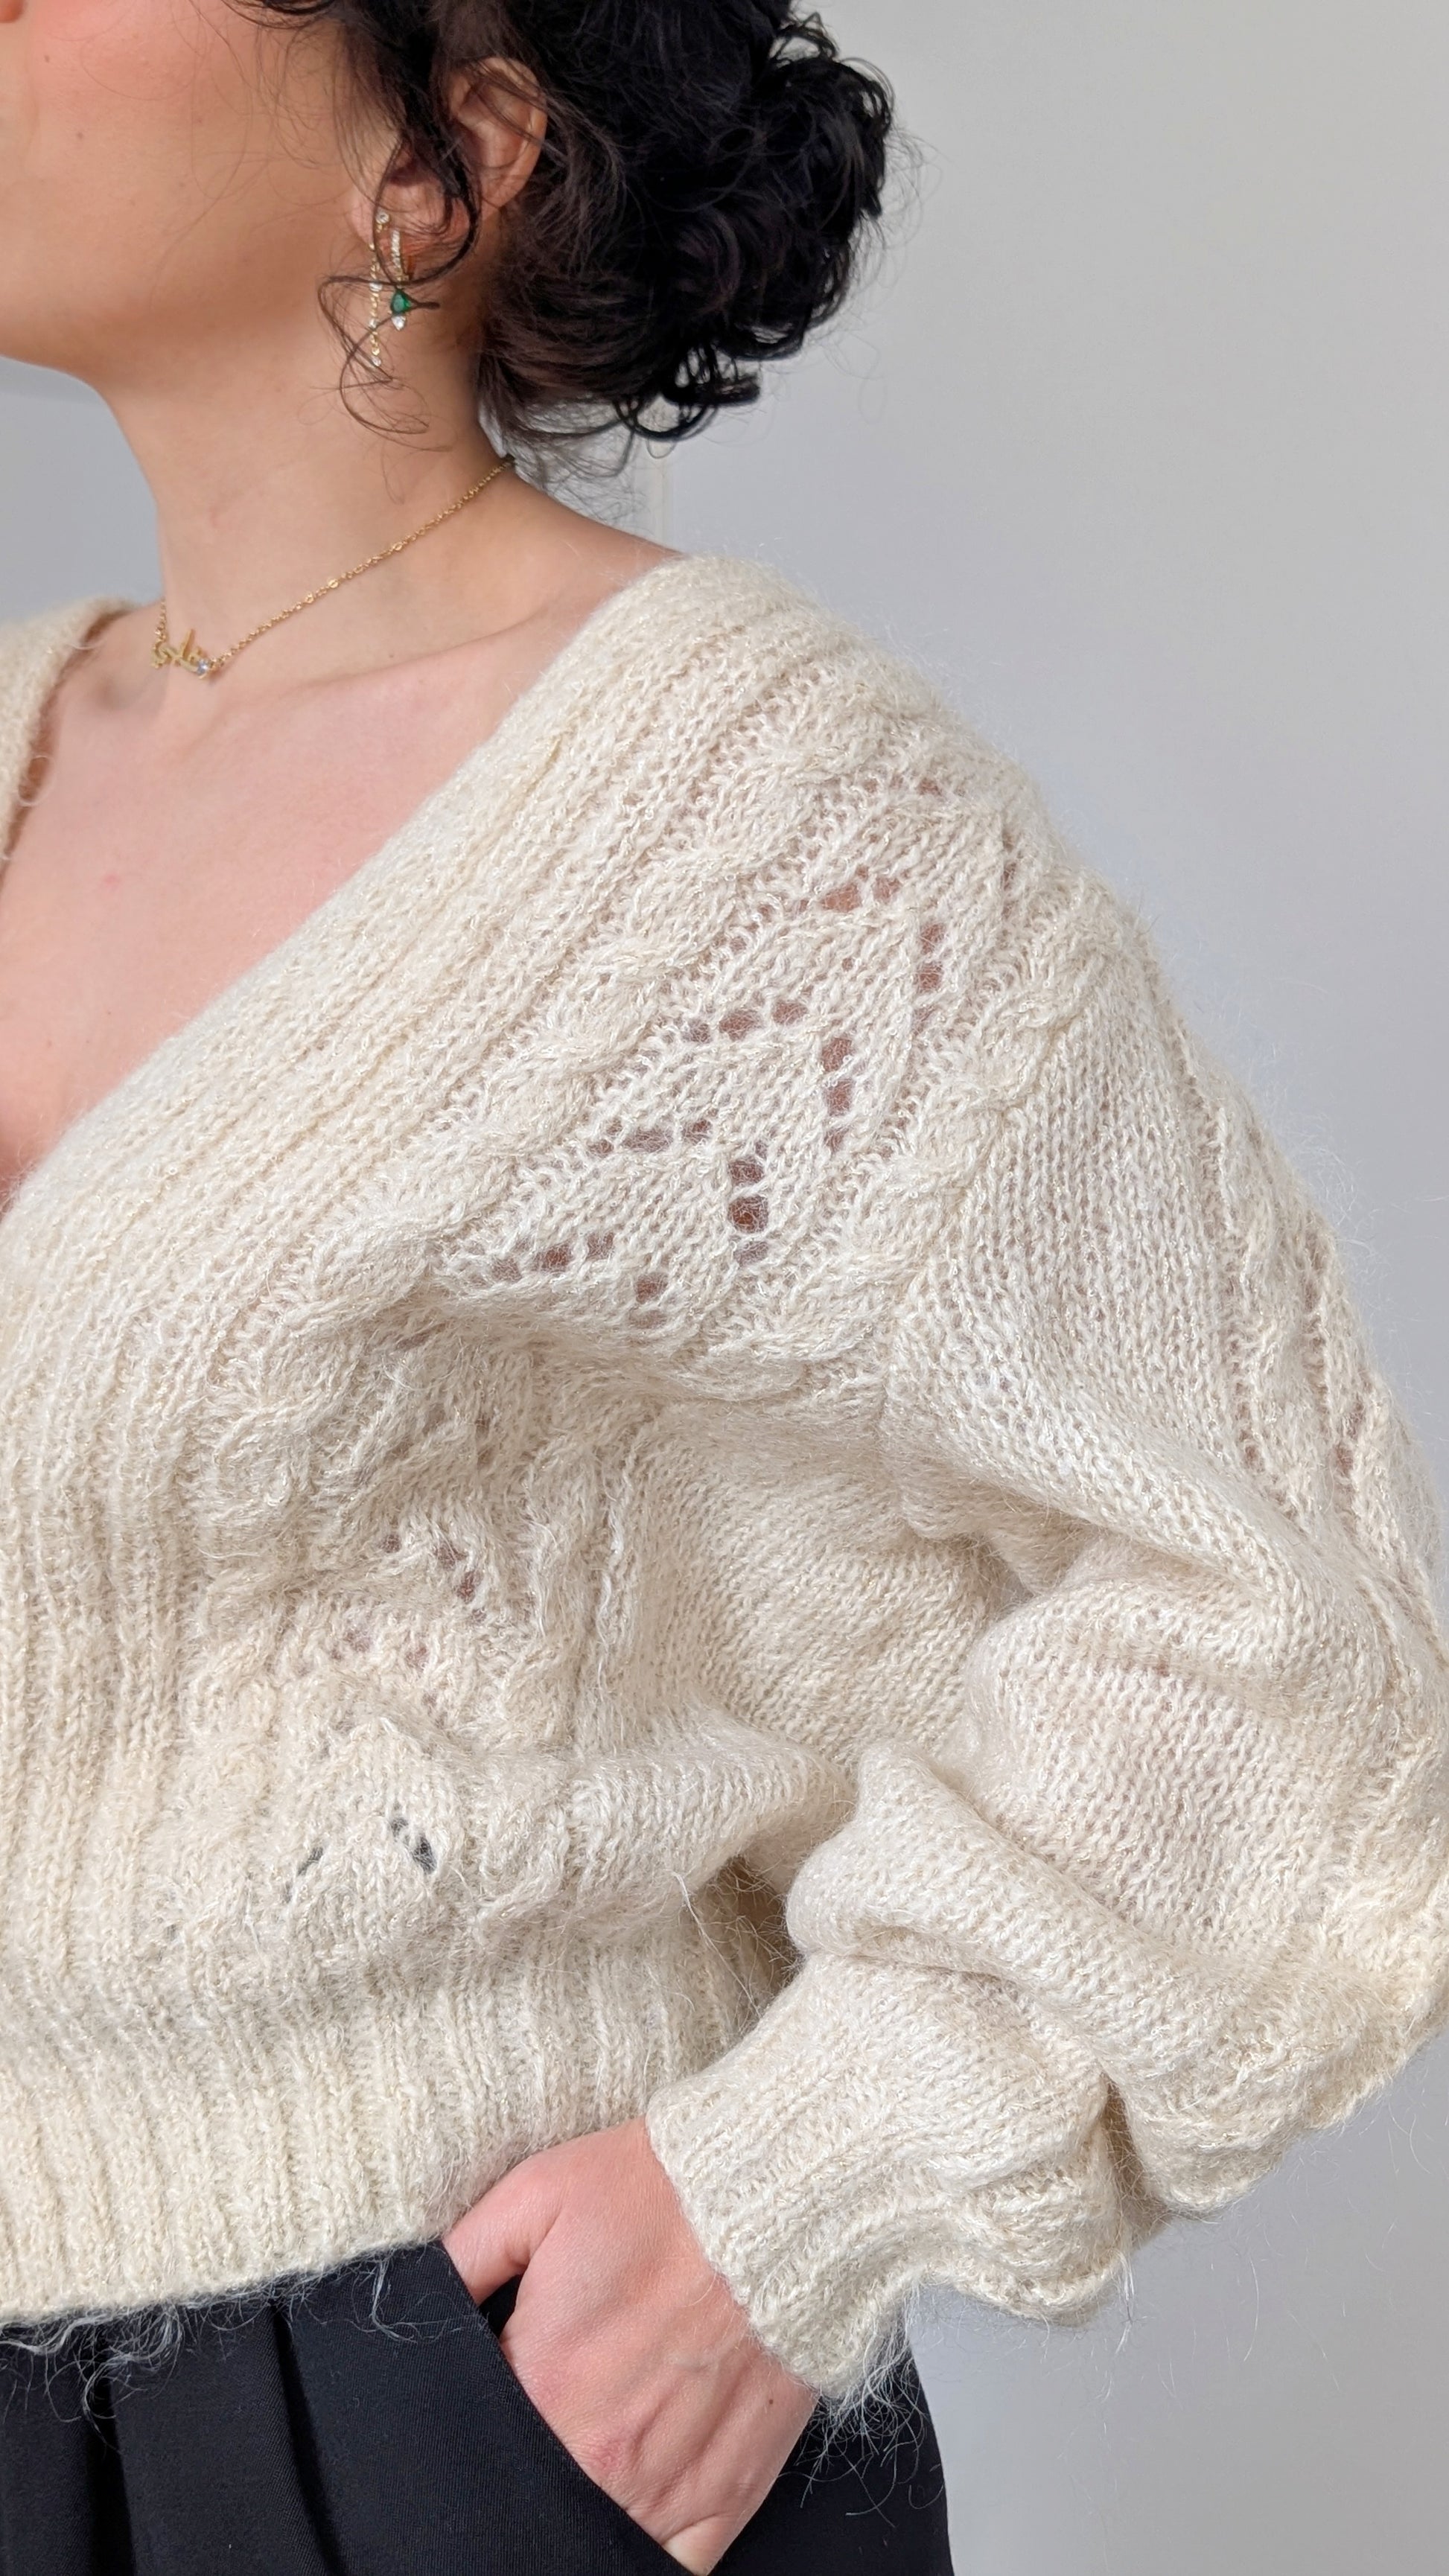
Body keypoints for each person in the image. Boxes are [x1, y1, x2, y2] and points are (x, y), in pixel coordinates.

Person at [0, 0, 1444, 2569]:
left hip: (425, 2423)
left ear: (446, 155)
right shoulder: (27, 727)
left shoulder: (760, 829)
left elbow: (1290, 1623)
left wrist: (791, 2194)